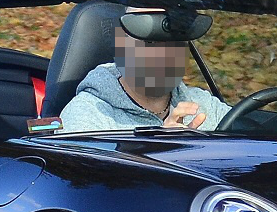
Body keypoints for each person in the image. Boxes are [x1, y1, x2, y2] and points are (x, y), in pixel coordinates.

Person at [60, 12, 230, 133]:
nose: (161, 54)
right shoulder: (87, 115)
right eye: (148, 42)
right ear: (121, 47)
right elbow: (82, 180)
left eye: (172, 42)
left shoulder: (204, 105)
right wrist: (161, 151)